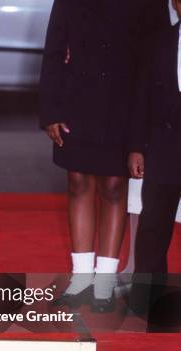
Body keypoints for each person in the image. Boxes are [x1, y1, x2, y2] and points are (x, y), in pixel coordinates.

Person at [39, 0, 170, 307]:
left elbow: (160, 51)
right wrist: (50, 111)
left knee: (114, 187)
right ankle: (82, 278)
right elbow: (54, 48)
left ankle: (105, 281)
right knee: (78, 182)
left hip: (127, 104)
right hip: (76, 101)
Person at [122, 0, 181, 274]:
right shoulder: (157, 43)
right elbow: (139, 99)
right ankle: (150, 302)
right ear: (175, 4)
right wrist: (136, 147)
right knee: (153, 228)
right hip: (163, 150)